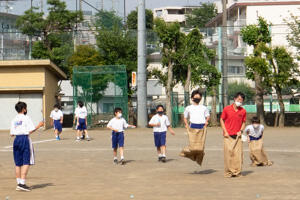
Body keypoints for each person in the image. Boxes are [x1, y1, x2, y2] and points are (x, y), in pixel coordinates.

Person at [10, 101, 44, 192]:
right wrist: (39, 125)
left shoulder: (14, 119)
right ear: (24, 109)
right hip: (24, 139)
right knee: (26, 161)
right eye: (26, 108)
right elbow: (31, 130)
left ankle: (19, 183)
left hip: (16, 140)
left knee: (18, 163)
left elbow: (12, 134)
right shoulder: (26, 118)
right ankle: (22, 183)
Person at [180, 89, 210, 166]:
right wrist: (186, 124)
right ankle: (187, 154)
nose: (197, 98)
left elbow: (207, 116)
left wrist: (206, 122)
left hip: (202, 126)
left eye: (199, 97)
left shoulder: (204, 107)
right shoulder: (188, 108)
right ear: (192, 98)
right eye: (196, 97)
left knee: (200, 146)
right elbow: (185, 117)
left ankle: (198, 159)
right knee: (193, 146)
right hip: (192, 126)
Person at [220, 92, 246, 178]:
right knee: (228, 155)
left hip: (238, 136)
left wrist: (241, 131)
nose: (240, 101)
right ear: (234, 99)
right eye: (238, 99)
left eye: (241, 100)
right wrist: (225, 131)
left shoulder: (243, 111)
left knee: (238, 156)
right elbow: (221, 120)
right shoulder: (227, 109)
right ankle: (228, 172)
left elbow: (244, 123)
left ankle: (237, 172)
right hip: (228, 136)